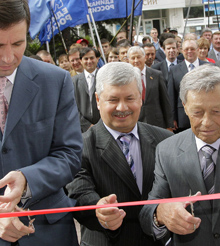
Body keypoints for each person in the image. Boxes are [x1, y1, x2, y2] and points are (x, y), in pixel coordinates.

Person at [0, 0, 83, 245]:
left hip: (49, 233)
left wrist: (28, 180)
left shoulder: (55, 81)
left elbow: (69, 154)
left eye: (18, 43)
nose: (9, 57)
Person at [140, 64, 220, 245]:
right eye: (197, 112)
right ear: (185, 107)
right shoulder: (167, 150)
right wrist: (161, 214)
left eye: (216, 111)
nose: (207, 122)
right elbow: (149, 210)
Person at [67, 62, 173, 246]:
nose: (122, 108)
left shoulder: (165, 140)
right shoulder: (81, 146)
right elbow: (78, 192)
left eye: (130, 98)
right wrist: (99, 209)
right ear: (98, 100)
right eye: (113, 100)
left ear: (141, 98)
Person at [127, 46, 173, 129]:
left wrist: (169, 125)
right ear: (128, 60)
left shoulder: (156, 75)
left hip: (157, 123)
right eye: (133, 58)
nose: (136, 60)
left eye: (138, 57)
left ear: (144, 58)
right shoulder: (126, 79)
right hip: (136, 123)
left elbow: (165, 101)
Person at [168, 39, 208, 132]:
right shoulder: (174, 70)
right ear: (181, 51)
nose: (189, 51)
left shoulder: (208, 67)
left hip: (205, 113)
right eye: (186, 49)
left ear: (197, 49)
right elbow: (171, 95)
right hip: (182, 117)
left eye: (192, 49)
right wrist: (172, 118)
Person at [72, 47, 100, 132]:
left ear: (97, 59)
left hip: (103, 126)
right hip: (82, 129)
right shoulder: (74, 81)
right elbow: (72, 106)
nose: (89, 61)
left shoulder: (105, 77)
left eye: (92, 58)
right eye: (86, 58)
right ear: (81, 60)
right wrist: (86, 125)